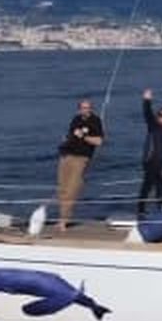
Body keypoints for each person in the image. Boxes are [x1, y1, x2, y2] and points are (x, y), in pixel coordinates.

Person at [56, 99, 104, 232]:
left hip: (81, 158)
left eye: (88, 108)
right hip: (66, 155)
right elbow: (71, 134)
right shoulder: (76, 119)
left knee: (72, 188)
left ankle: (64, 220)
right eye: (83, 108)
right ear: (79, 109)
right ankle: (61, 218)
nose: (86, 110)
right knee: (62, 188)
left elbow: (99, 141)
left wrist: (83, 136)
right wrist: (66, 139)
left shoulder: (95, 121)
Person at [137, 89, 162, 218]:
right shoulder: (154, 126)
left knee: (160, 185)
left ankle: (160, 208)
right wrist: (147, 100)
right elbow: (147, 114)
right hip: (150, 161)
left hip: (160, 164)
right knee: (147, 184)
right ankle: (141, 209)